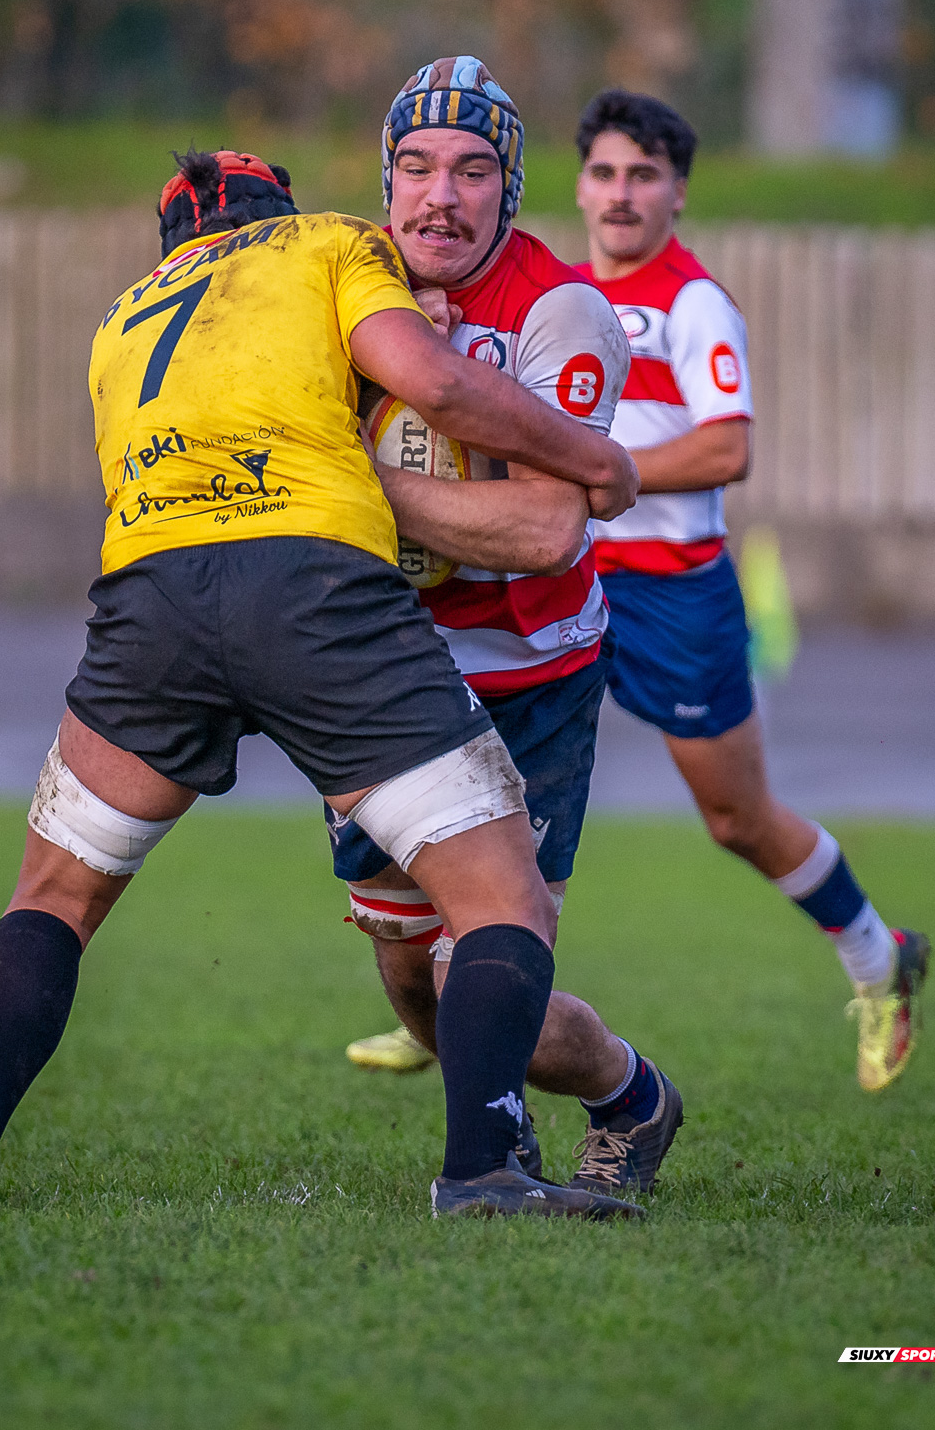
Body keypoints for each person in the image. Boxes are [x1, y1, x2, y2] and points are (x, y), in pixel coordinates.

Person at [0, 146, 643, 1221]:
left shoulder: (121, 319)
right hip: (311, 587)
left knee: (55, 896)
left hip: (150, 600)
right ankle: (484, 1172)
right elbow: (437, 383)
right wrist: (594, 459)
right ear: (278, 212)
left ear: (178, 242)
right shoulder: (330, 244)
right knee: (501, 897)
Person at [333, 58, 684, 1198]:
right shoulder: (346, 291)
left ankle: (628, 1095)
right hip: (386, 675)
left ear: (511, 187)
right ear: (385, 181)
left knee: (478, 963)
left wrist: (350, 495)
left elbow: (542, 529)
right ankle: (520, 1120)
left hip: (530, 681)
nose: (442, 196)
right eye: (417, 167)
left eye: (473, 170)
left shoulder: (562, 312)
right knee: (414, 990)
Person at [572, 88, 929, 1093]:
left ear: (678, 192)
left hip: (676, 598)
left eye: (644, 175)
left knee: (736, 819)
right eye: (605, 172)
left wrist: (607, 469)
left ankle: (877, 956)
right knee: (487, 781)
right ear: (580, 186)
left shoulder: (694, 303)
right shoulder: (554, 297)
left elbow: (729, 446)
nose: (622, 193)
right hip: (562, 580)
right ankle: (444, 999)